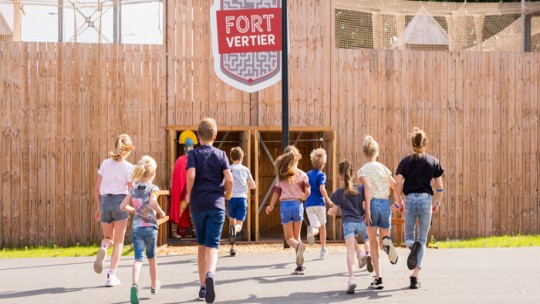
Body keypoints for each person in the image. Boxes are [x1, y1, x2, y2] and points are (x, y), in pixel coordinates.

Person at [186, 118, 233, 303]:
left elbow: (191, 175)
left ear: (198, 136)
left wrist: (189, 194)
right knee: (213, 245)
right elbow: (229, 180)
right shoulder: (221, 155)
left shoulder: (194, 155)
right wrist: (227, 195)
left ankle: (203, 286)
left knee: (201, 245)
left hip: (198, 204)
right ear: (215, 136)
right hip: (216, 204)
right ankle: (211, 273)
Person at [395, 127, 444, 289]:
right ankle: (415, 276)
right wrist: (437, 202)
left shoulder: (405, 161)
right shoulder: (433, 161)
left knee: (409, 236)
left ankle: (411, 246)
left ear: (412, 144)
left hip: (410, 199)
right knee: (422, 239)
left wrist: (399, 200)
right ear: (425, 143)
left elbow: (397, 183)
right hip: (425, 200)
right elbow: (439, 186)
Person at [120, 155, 166, 304]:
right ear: (153, 173)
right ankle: (153, 286)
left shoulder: (133, 189)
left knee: (138, 259)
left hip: (137, 227)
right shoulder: (154, 188)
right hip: (150, 227)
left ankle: (134, 284)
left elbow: (122, 206)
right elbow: (152, 202)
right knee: (152, 257)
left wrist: (135, 210)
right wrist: (160, 212)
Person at [357, 135, 399, 290]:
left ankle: (378, 278)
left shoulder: (362, 170)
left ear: (363, 153)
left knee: (373, 242)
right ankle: (388, 244)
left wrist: (367, 208)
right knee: (383, 239)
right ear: (377, 153)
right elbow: (394, 186)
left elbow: (367, 189)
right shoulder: (383, 167)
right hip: (385, 203)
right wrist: (398, 202)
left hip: (372, 204)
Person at [94, 134, 135, 287]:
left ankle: (103, 248)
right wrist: (132, 208)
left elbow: (97, 188)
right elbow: (132, 191)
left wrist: (99, 206)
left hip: (105, 201)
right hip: (120, 202)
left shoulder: (105, 163)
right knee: (118, 241)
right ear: (128, 149)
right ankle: (111, 276)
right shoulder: (129, 167)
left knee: (108, 237)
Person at [265, 145, 310, 275]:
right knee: (297, 236)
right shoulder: (302, 174)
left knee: (289, 238)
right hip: (297, 205)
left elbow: (276, 191)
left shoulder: (281, 175)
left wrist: (271, 205)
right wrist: (303, 196)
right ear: (298, 158)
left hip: (285, 206)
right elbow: (307, 191)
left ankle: (298, 247)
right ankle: (300, 267)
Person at [328, 160, 370, 294]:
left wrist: (329, 211)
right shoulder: (360, 189)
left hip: (348, 224)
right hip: (361, 223)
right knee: (360, 244)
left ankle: (352, 278)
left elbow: (334, 210)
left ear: (340, 175)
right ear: (352, 173)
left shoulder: (338, 193)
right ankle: (363, 253)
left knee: (349, 251)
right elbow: (364, 207)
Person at [305, 148, 334, 259]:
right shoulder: (322, 175)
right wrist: (328, 200)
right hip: (319, 204)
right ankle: (323, 248)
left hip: (309, 204)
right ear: (324, 163)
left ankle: (312, 230)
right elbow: (322, 188)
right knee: (322, 226)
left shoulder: (307, 174)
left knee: (315, 225)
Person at [227, 146, 256, 256]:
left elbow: (226, 181)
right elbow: (253, 186)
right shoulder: (245, 169)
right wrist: (248, 184)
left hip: (231, 198)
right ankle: (235, 229)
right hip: (242, 198)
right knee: (239, 224)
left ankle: (233, 247)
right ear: (242, 157)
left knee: (231, 221)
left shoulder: (229, 169)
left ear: (231, 157)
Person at [170, 131, 198, 238]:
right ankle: (173, 231)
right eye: (189, 146)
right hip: (184, 190)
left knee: (193, 210)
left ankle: (195, 231)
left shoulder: (194, 159)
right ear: (185, 147)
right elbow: (180, 177)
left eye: (192, 146)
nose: (191, 148)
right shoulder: (181, 160)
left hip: (193, 189)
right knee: (180, 209)